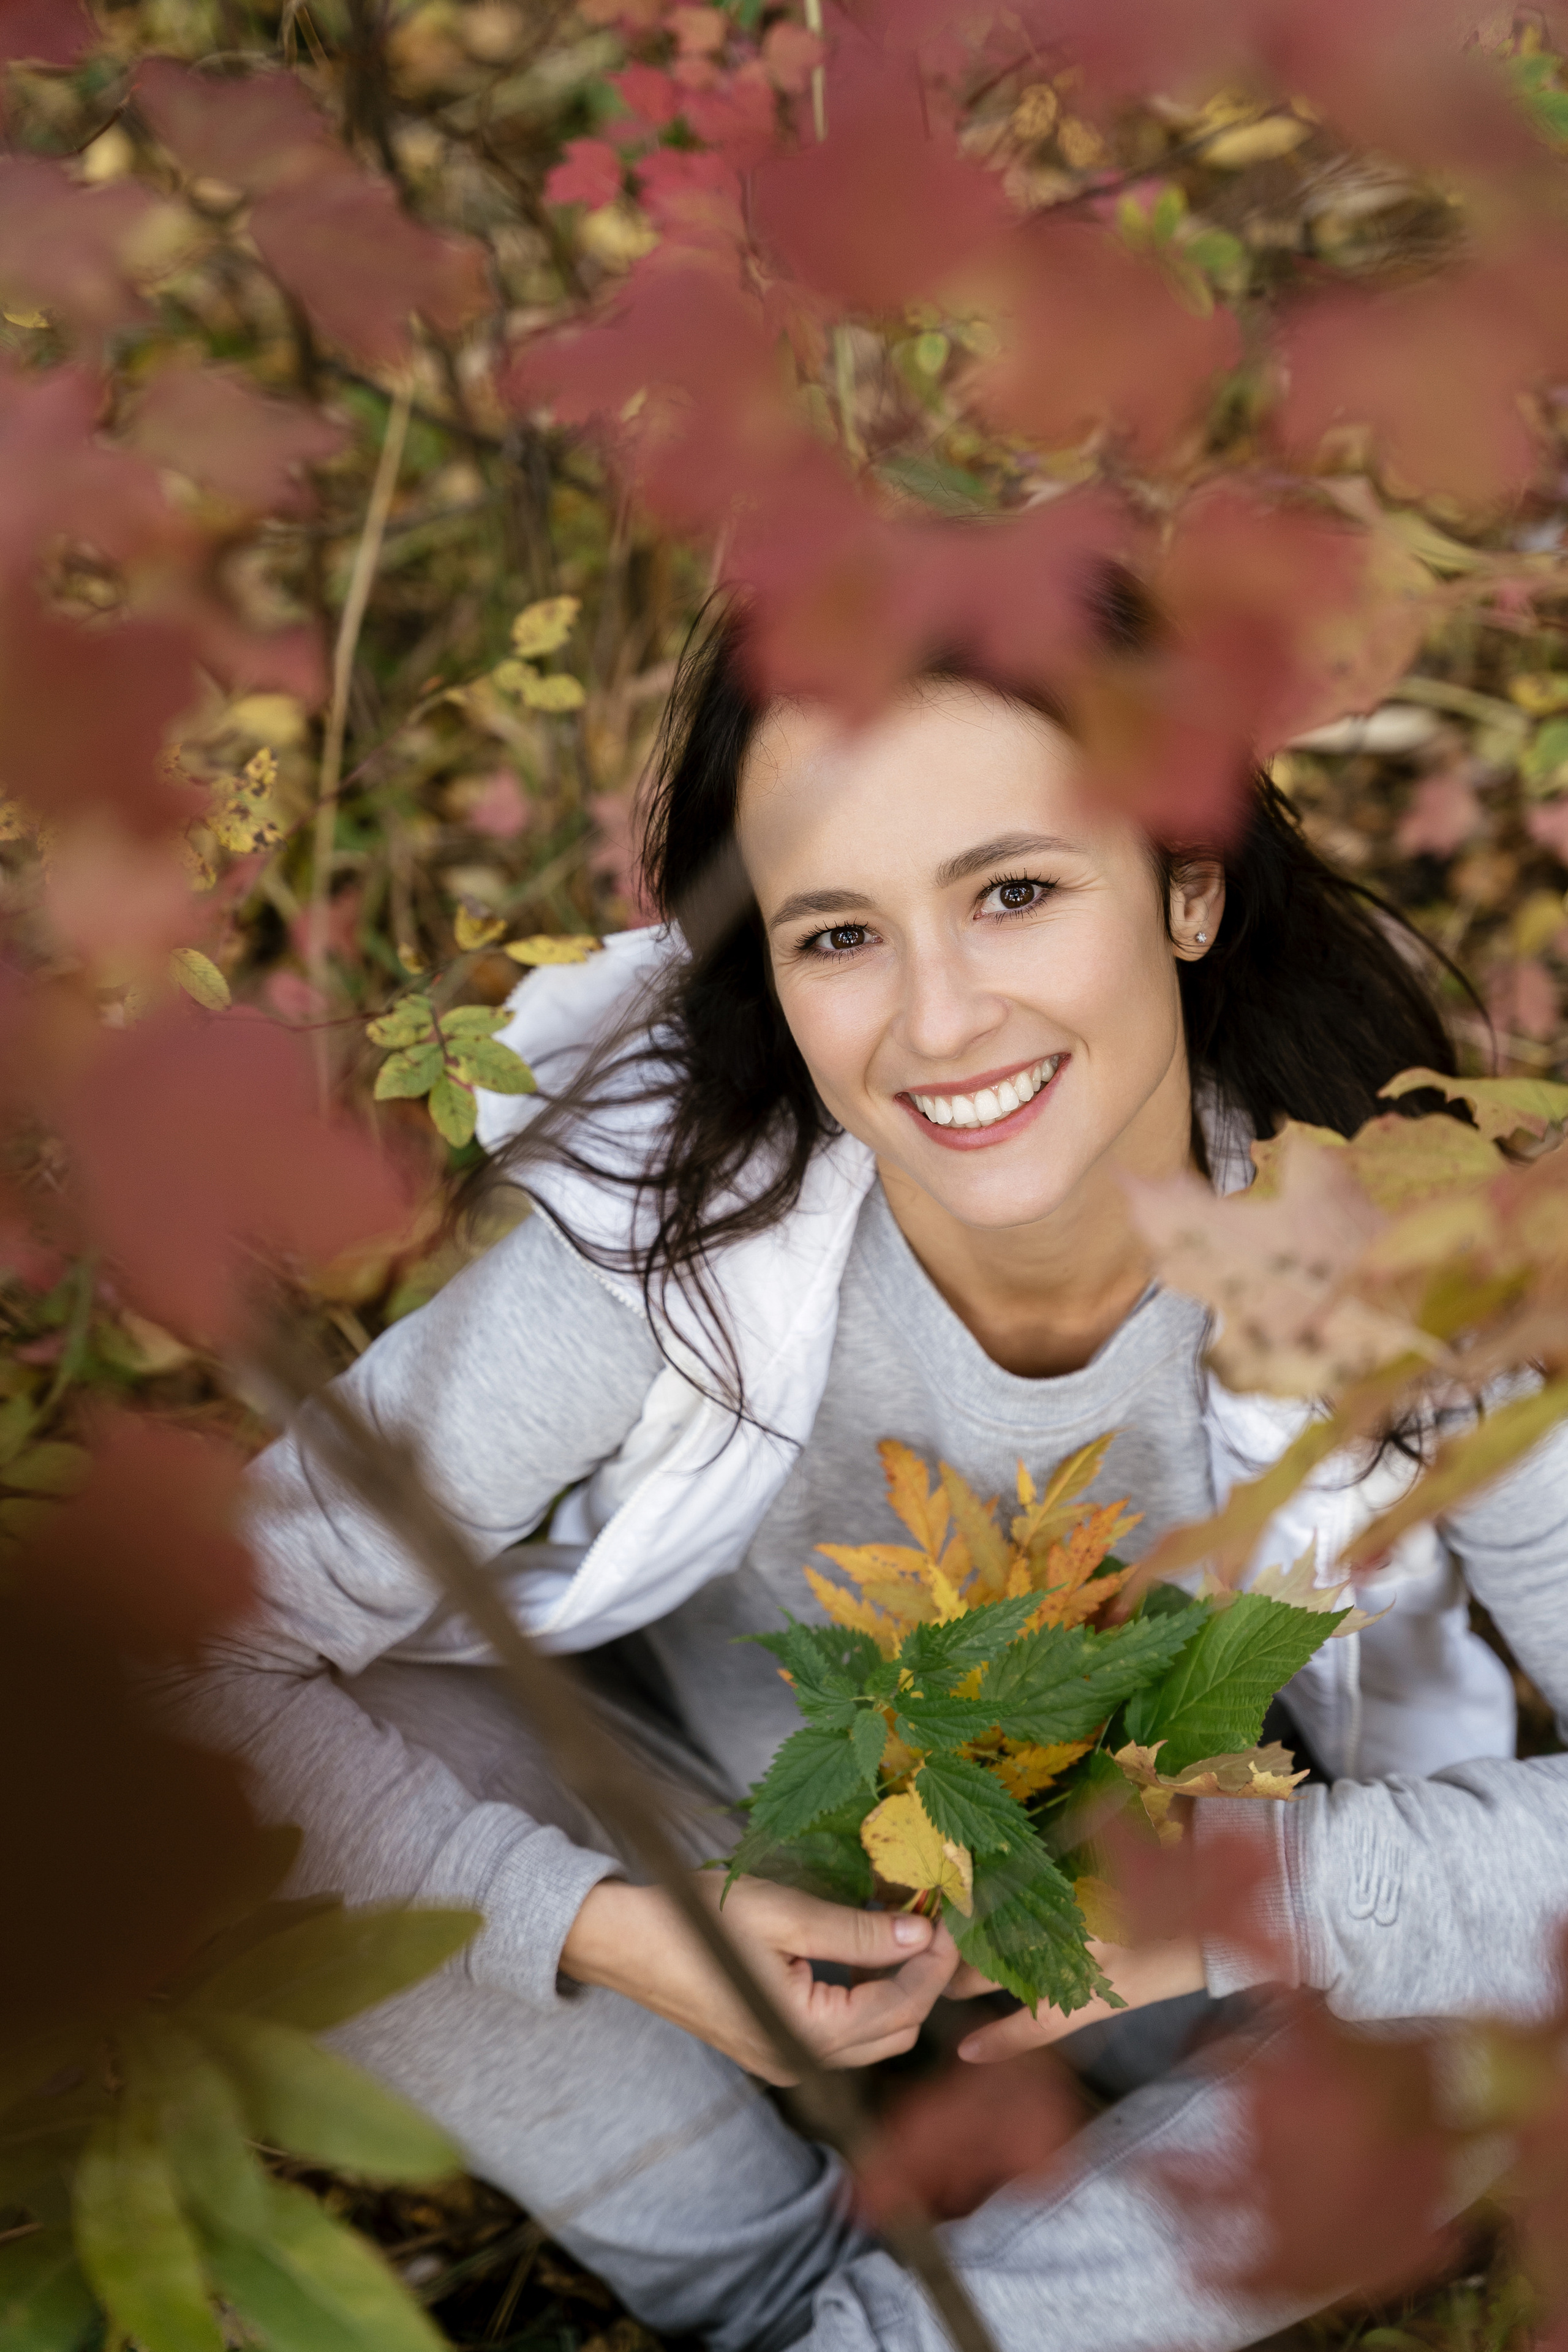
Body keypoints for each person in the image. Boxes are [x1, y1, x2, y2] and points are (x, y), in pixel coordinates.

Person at [187, 613, 1568, 2352]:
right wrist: (605, 1929)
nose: (938, 1019)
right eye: (839, 933)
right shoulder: (669, 1254)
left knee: (1480, 2032)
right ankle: (770, 2287)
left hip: (1207, 1985)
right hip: (730, 1880)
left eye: (1016, 892)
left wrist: (1265, 1892)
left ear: (1188, 890)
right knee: (280, 1754)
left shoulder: (1419, 1275)